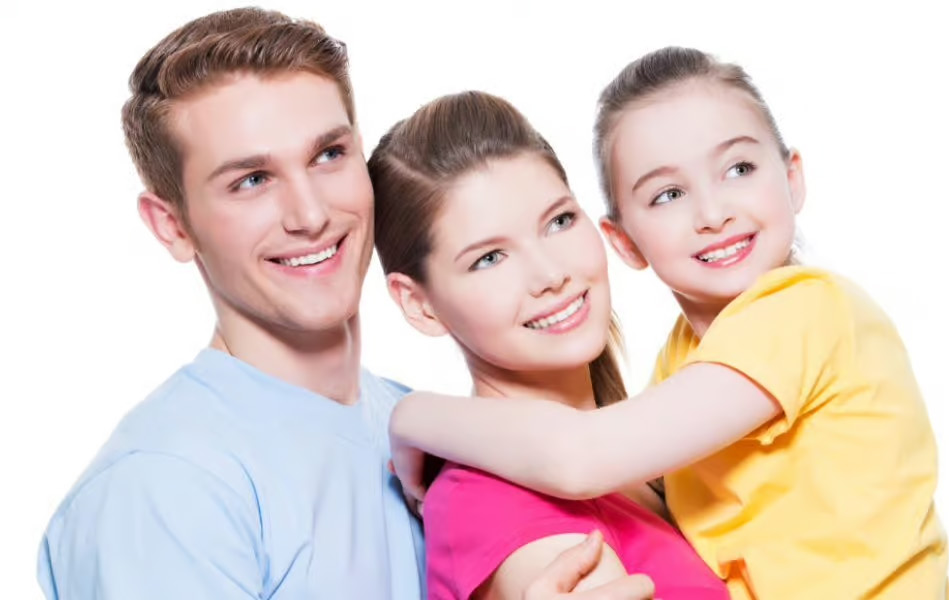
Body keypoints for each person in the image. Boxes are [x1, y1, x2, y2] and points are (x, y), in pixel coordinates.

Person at [34, 7, 653, 599]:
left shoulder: (427, 431)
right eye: (251, 181)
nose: (310, 214)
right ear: (172, 226)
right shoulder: (163, 485)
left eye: (328, 155)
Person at [390, 47, 949, 598]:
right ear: (624, 240)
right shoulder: (683, 362)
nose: (714, 214)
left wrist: (413, 414)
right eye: (669, 194)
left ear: (792, 176)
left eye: (558, 221)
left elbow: (583, 455)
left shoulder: (800, 310)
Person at [368, 89, 731, 600]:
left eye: (559, 221)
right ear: (419, 304)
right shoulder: (489, 499)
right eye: (489, 258)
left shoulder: (651, 448)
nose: (550, 274)